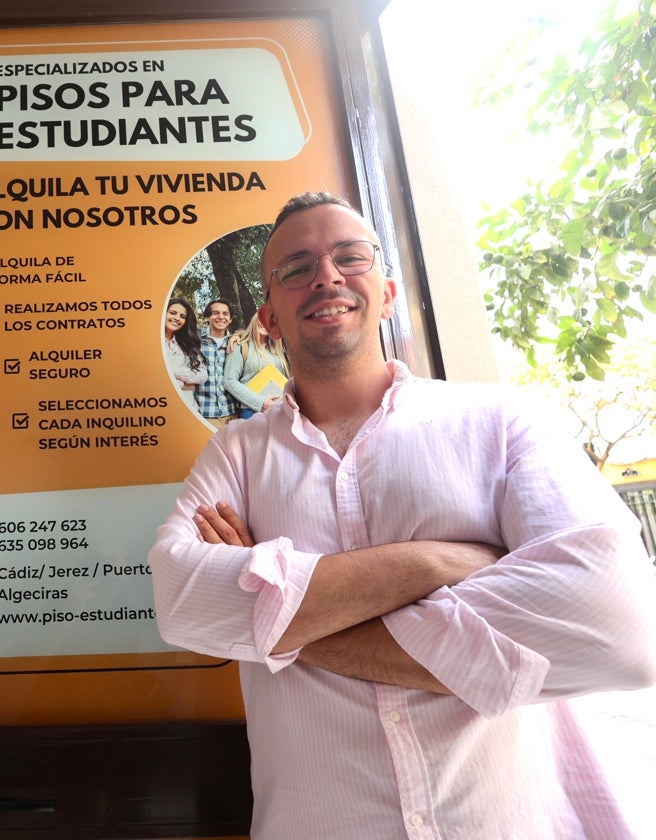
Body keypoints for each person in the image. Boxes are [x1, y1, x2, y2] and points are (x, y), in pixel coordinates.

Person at [149, 192, 656, 838]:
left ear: (386, 293)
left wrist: (277, 624)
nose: (326, 276)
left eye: (348, 257)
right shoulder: (238, 456)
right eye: (296, 267)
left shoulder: (501, 422)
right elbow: (182, 598)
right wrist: (440, 563)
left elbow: (617, 627)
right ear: (269, 319)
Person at [222, 313, 289, 418]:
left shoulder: (278, 349)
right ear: (254, 320)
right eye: (261, 319)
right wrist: (261, 402)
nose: (264, 324)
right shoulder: (241, 345)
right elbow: (229, 381)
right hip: (251, 411)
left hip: (279, 410)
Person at [193, 299, 238, 428]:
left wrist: (238, 335)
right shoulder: (195, 340)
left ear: (230, 319)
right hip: (204, 415)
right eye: (215, 313)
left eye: (225, 314)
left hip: (232, 415)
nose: (221, 317)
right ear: (207, 317)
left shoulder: (236, 343)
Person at [163, 297, 207, 409]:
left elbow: (202, 375)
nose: (177, 318)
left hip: (189, 409)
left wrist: (175, 375)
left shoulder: (188, 344)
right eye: (173, 313)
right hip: (164, 407)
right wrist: (184, 383)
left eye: (182, 316)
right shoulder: (152, 343)